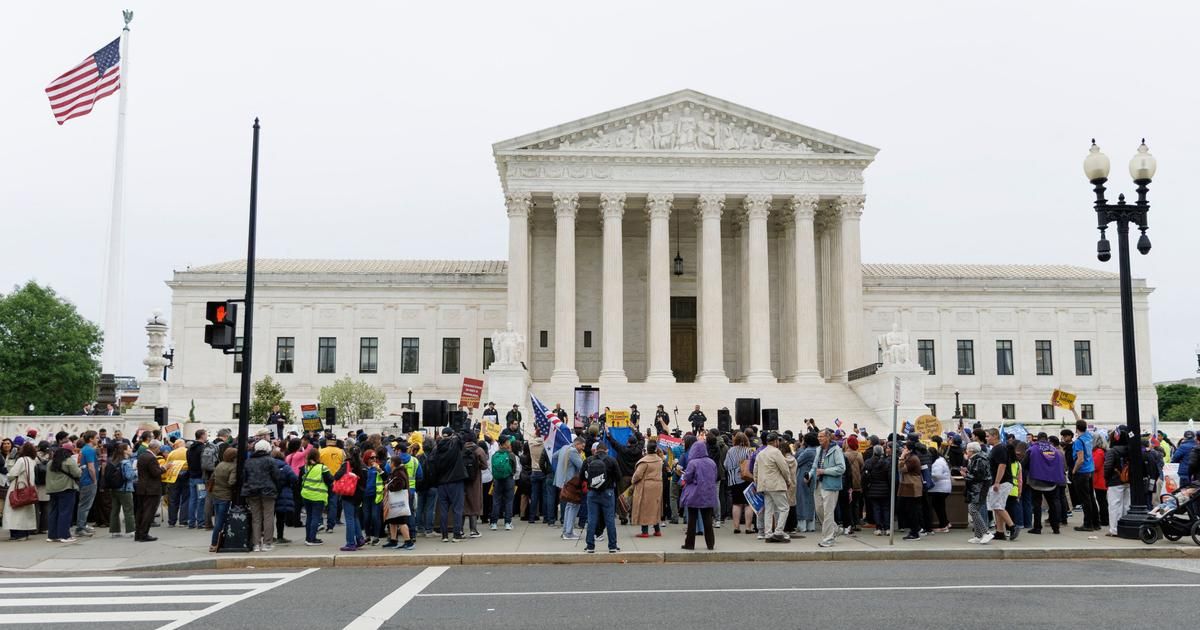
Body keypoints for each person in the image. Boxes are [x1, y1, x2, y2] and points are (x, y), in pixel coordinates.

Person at [581, 441, 620, 553]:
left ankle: (590, 546)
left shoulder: (588, 460)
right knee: (609, 520)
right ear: (606, 450)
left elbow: (582, 476)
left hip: (592, 492)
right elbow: (618, 477)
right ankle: (612, 546)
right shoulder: (611, 460)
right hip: (608, 492)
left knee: (592, 519)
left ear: (596, 450)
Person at [755, 432, 794, 543]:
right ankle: (778, 532)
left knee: (769, 509)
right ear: (776, 441)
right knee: (784, 508)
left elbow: (755, 469)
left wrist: (757, 481)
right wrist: (788, 480)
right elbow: (784, 468)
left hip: (764, 485)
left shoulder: (761, 453)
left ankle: (768, 533)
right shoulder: (776, 452)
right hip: (776, 484)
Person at [679, 440, 718, 550]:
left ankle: (690, 544)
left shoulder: (693, 463)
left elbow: (687, 478)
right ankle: (710, 544)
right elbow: (715, 477)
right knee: (708, 520)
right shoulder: (712, 463)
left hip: (694, 494)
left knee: (692, 520)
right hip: (708, 493)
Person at [810, 429, 846, 547]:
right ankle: (835, 529)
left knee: (828, 512)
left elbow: (841, 468)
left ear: (828, 437)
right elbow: (814, 466)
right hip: (818, 484)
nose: (819, 438)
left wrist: (824, 471)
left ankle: (828, 539)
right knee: (819, 510)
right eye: (818, 436)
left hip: (830, 485)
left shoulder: (836, 450)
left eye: (821, 436)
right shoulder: (818, 450)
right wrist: (809, 475)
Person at [1026, 432, 1065, 535]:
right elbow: (1061, 465)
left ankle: (1037, 528)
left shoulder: (1032, 449)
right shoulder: (1055, 450)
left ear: (1037, 439)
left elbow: (1025, 463)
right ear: (1047, 439)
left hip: (1036, 481)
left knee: (1037, 505)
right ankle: (1056, 528)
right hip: (1051, 481)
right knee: (1053, 504)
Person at [433, 428, 467, 542]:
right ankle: (456, 534)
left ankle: (444, 535)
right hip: (455, 481)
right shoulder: (455, 446)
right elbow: (462, 437)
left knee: (443, 510)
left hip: (442, 483)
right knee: (457, 509)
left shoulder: (437, 449)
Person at [46, 443, 81, 543]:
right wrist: (80, 468)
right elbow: (77, 473)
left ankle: (52, 535)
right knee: (65, 512)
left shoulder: (50, 462)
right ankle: (64, 535)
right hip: (66, 489)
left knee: (53, 512)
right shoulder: (69, 461)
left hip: (52, 490)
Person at [333, 445, 366, 551]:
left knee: (349, 519)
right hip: (359, 494)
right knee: (355, 517)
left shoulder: (347, 464)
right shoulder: (362, 465)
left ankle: (350, 543)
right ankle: (360, 538)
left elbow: (337, 476)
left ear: (349, 453)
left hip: (348, 493)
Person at [984, 428, 1015, 541]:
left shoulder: (999, 448)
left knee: (997, 506)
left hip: (1002, 482)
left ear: (995, 436)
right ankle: (1000, 531)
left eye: (988, 436)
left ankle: (1012, 526)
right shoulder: (997, 448)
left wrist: (997, 482)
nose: (986, 438)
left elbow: (1002, 465)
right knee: (997, 506)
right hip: (999, 482)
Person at [4, 442, 39, 540]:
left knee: (14, 512)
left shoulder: (21, 460)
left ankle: (18, 534)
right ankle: (25, 533)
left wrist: (9, 464)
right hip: (29, 488)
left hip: (18, 488)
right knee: (25, 513)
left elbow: (12, 473)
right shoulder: (32, 461)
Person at [299, 449, 333, 546]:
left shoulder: (305, 468)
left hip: (306, 494)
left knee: (309, 516)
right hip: (318, 495)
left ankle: (308, 538)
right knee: (315, 517)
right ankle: (312, 539)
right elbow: (330, 480)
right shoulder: (322, 468)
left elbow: (299, 480)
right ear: (318, 457)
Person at [631, 439, 665, 538]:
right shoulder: (659, 460)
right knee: (655, 507)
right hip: (658, 485)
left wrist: (633, 481)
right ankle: (657, 530)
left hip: (646, 486)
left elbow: (637, 475)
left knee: (645, 507)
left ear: (647, 449)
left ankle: (644, 531)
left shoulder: (644, 461)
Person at [1071, 420, 1100, 532]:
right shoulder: (1087, 437)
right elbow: (1081, 423)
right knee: (1091, 497)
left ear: (1076, 428)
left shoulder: (1078, 441)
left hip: (1082, 472)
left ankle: (1088, 524)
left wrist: (1074, 471)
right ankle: (1096, 523)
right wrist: (1073, 411)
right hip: (1090, 470)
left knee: (1085, 499)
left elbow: (1080, 459)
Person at [133, 440, 164, 542]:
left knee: (141, 511)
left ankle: (138, 533)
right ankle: (143, 534)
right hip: (151, 489)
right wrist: (164, 468)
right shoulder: (151, 458)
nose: (159, 450)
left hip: (142, 487)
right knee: (148, 512)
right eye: (158, 448)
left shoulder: (142, 456)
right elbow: (155, 473)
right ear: (155, 448)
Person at [724, 432, 755, 533]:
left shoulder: (730, 451)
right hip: (746, 479)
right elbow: (753, 465)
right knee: (748, 504)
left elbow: (726, 465)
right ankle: (748, 527)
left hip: (733, 480)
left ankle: (736, 527)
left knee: (736, 504)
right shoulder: (748, 450)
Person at [1104, 426, 1132, 537]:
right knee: (1127, 505)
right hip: (1128, 480)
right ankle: (1125, 527)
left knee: (1114, 505)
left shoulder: (1112, 451)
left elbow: (1108, 466)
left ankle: (1114, 529)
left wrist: (1107, 478)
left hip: (1115, 480)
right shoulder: (1130, 450)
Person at [556, 437, 586, 540]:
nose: (583, 448)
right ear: (577, 444)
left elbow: (554, 456)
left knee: (569, 507)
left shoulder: (565, 448)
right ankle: (568, 533)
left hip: (567, 481)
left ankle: (566, 531)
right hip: (573, 483)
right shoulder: (573, 451)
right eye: (582, 446)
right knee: (573, 506)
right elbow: (582, 466)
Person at [962, 442, 993, 543]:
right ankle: (978, 535)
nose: (966, 451)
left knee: (973, 509)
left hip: (979, 489)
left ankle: (986, 533)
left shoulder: (979, 459)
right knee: (974, 510)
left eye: (967, 450)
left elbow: (978, 477)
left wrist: (965, 475)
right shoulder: (978, 458)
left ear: (971, 450)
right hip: (978, 489)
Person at [209, 448, 238, 551]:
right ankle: (214, 544)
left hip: (216, 494)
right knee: (220, 521)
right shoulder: (233, 467)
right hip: (225, 495)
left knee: (218, 518)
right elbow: (231, 482)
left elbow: (213, 477)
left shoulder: (220, 464)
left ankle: (217, 542)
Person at [107, 442, 136, 538]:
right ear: (124, 451)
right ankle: (130, 530)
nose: (131, 449)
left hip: (114, 488)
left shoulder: (113, 460)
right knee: (128, 510)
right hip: (125, 489)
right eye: (129, 448)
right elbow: (129, 476)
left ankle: (115, 531)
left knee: (115, 510)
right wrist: (135, 472)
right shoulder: (126, 462)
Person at [74, 430, 100, 538]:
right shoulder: (89, 450)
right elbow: (91, 467)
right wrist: (94, 480)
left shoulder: (84, 449)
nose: (98, 439)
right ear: (91, 439)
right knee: (85, 505)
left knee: (84, 505)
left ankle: (83, 525)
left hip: (84, 480)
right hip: (88, 481)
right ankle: (80, 528)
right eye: (96, 438)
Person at [897, 442, 924, 541]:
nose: (903, 449)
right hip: (909, 486)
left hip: (912, 487)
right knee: (909, 509)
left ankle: (915, 532)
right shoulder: (910, 458)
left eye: (905, 448)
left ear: (909, 450)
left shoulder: (913, 459)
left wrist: (901, 457)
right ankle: (915, 530)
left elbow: (902, 469)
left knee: (912, 510)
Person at [319, 437, 346, 533]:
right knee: (333, 503)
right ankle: (330, 526)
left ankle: (320, 522)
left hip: (323, 479)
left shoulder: (321, 451)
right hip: (336, 480)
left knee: (320, 501)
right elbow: (344, 466)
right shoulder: (341, 452)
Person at [490, 436, 518, 530]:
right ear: (505, 443)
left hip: (497, 480)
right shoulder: (511, 455)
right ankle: (508, 523)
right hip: (509, 479)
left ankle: (494, 523)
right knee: (509, 501)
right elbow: (514, 468)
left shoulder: (495, 455)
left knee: (496, 501)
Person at [462, 433, 487, 538]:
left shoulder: (460, 449)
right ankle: (473, 530)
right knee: (474, 504)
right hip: (475, 480)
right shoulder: (479, 450)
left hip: (462, 480)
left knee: (462, 505)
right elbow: (485, 466)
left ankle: (460, 530)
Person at [863, 444, 891, 535]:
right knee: (886, 509)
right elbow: (889, 477)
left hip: (873, 488)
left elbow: (864, 476)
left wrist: (866, 486)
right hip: (885, 488)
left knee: (876, 508)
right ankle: (887, 528)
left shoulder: (868, 462)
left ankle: (878, 528)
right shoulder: (886, 462)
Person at [186, 430, 210, 530]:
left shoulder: (189, 449)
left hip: (192, 476)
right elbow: (204, 463)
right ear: (202, 436)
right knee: (201, 500)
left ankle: (191, 522)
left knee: (192, 500)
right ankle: (200, 522)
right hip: (200, 477)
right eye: (206, 434)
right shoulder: (203, 448)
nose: (207, 436)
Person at [795, 432, 818, 533]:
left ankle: (802, 525)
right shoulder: (818, 450)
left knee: (802, 499)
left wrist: (800, 448)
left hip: (803, 476)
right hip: (814, 476)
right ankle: (811, 525)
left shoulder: (807, 451)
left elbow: (797, 462)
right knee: (811, 500)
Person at [841, 435, 864, 534]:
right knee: (856, 504)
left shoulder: (844, 455)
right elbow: (862, 467)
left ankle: (849, 523)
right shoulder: (859, 455)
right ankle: (857, 522)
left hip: (848, 482)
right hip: (857, 482)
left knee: (848, 504)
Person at [929, 444, 952, 532]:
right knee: (940, 506)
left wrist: (928, 474)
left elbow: (937, 475)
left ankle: (944, 525)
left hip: (939, 488)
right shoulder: (941, 460)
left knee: (939, 507)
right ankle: (946, 523)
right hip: (942, 488)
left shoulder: (938, 462)